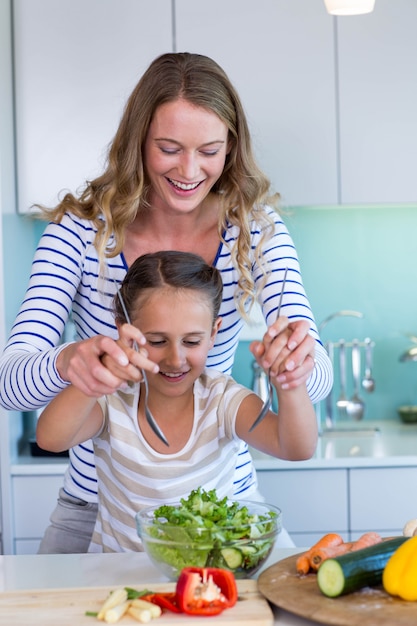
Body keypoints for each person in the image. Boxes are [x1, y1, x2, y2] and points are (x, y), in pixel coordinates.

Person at [0, 52, 332, 554]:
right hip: (97, 516)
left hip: (221, 512)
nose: (189, 170)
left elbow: (316, 372)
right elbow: (10, 386)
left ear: (231, 149)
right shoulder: (77, 235)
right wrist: (69, 363)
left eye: (209, 150)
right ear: (138, 142)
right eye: (169, 148)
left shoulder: (256, 232)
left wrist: (296, 365)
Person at [36, 251, 318, 552]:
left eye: (192, 341)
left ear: (213, 333)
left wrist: (289, 384)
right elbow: (50, 439)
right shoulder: (113, 400)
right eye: (157, 341)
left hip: (205, 583)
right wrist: (94, 382)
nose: (176, 358)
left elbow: (297, 449)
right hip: (120, 581)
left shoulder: (222, 400)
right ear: (124, 330)